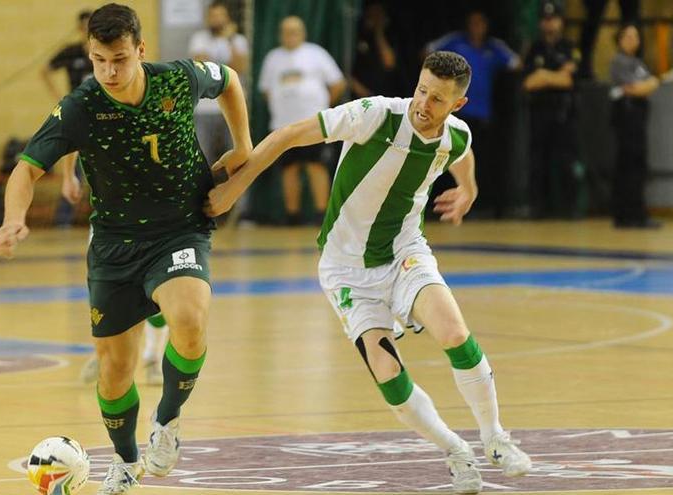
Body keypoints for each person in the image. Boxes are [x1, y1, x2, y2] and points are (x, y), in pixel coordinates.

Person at [205, 51, 531, 495]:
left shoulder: (454, 135)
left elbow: (464, 152)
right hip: (345, 270)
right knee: (388, 377)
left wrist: (468, 190)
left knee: (454, 333)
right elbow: (285, 136)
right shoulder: (374, 115)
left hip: (404, 254)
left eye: (437, 99)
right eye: (421, 90)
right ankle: (455, 449)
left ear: (457, 104)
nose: (423, 104)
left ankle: (495, 437)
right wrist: (234, 187)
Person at [0, 4, 251, 494]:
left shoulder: (177, 79)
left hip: (180, 230)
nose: (109, 71)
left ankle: (168, 420)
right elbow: (26, 168)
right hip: (113, 246)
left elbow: (230, 81)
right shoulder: (81, 106)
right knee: (114, 371)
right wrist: (13, 219)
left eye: (119, 59)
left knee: (191, 319)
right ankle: (127, 462)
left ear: (140, 51)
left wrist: (243, 144)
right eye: (99, 60)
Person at [426, 10, 520, 218]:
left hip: (481, 115)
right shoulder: (455, 42)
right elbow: (428, 52)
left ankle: (474, 205)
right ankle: (441, 205)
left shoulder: (493, 47)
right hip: (455, 113)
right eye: (473, 23)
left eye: (481, 23)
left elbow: (516, 63)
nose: (477, 27)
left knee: (477, 161)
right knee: (446, 158)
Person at [259, 15, 346, 225]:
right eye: (286, 31)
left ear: (302, 33)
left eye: (294, 31)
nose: (290, 35)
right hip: (283, 125)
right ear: (280, 34)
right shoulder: (273, 57)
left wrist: (320, 105)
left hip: (314, 124)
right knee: (289, 169)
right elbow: (266, 89)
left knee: (317, 166)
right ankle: (292, 216)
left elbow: (337, 83)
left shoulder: (317, 54)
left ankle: (320, 215)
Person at [522, 1, 581, 219]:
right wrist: (554, 75)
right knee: (538, 161)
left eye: (553, 19)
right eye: (546, 20)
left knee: (566, 160)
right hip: (539, 113)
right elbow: (528, 83)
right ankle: (538, 207)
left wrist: (543, 76)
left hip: (564, 114)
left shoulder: (569, 47)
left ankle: (569, 208)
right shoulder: (534, 48)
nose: (550, 24)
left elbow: (569, 80)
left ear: (561, 21)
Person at [42, 9, 94, 228]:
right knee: (72, 166)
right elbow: (45, 70)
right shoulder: (72, 52)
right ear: (79, 29)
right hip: (77, 113)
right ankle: (62, 221)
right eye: (84, 26)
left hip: (104, 113)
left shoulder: (104, 52)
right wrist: (59, 97)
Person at [609, 23, 661, 229]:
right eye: (628, 36)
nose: (633, 40)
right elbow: (634, 88)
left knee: (638, 165)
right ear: (620, 40)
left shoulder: (638, 62)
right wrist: (648, 85)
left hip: (639, 118)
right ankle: (625, 213)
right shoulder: (619, 61)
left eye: (636, 36)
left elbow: (651, 83)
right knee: (627, 165)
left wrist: (648, 85)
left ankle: (637, 212)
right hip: (625, 117)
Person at [189, 1, 250, 164]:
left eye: (219, 16)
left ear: (227, 18)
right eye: (213, 16)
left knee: (239, 158)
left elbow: (239, 68)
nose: (216, 20)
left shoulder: (238, 40)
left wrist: (229, 40)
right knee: (202, 158)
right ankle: (204, 190)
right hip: (204, 108)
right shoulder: (199, 38)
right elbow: (200, 65)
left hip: (233, 107)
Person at [350, 1, 403, 98]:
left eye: (379, 13)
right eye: (373, 12)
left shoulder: (389, 34)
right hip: (358, 94)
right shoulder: (356, 34)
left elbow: (389, 63)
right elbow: (345, 68)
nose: (375, 16)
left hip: (382, 93)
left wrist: (378, 31)